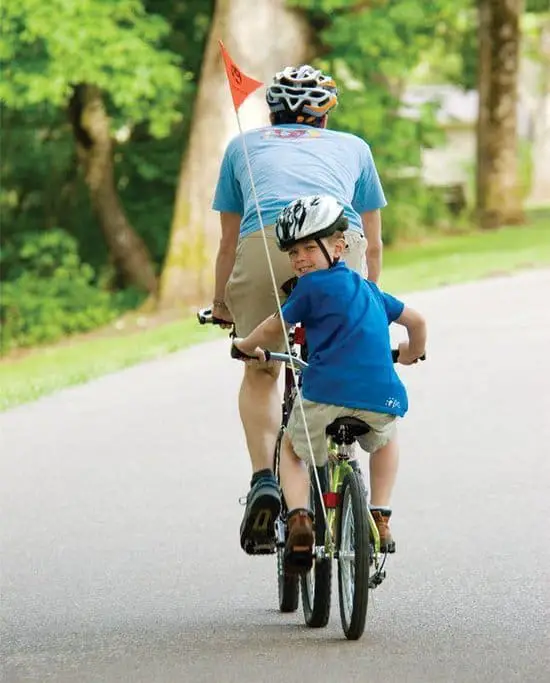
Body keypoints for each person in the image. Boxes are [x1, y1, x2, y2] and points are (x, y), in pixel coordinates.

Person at [211, 64, 388, 554]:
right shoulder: (354, 148)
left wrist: (222, 304)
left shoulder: (242, 146)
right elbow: (372, 244)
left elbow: (228, 242)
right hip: (337, 243)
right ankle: (339, 469)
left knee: (261, 368)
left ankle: (266, 478)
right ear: (326, 117)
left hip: (264, 245)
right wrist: (367, 301)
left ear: (272, 112)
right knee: (340, 355)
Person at [232, 195, 427, 573]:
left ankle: (300, 520)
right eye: (293, 252)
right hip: (380, 396)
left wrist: (245, 346)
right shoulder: (370, 290)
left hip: (324, 395)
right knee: (385, 439)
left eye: (309, 247)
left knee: (290, 448)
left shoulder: (309, 289)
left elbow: (275, 328)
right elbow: (417, 322)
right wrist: (407, 353)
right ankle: (381, 515)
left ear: (339, 246)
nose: (300, 259)